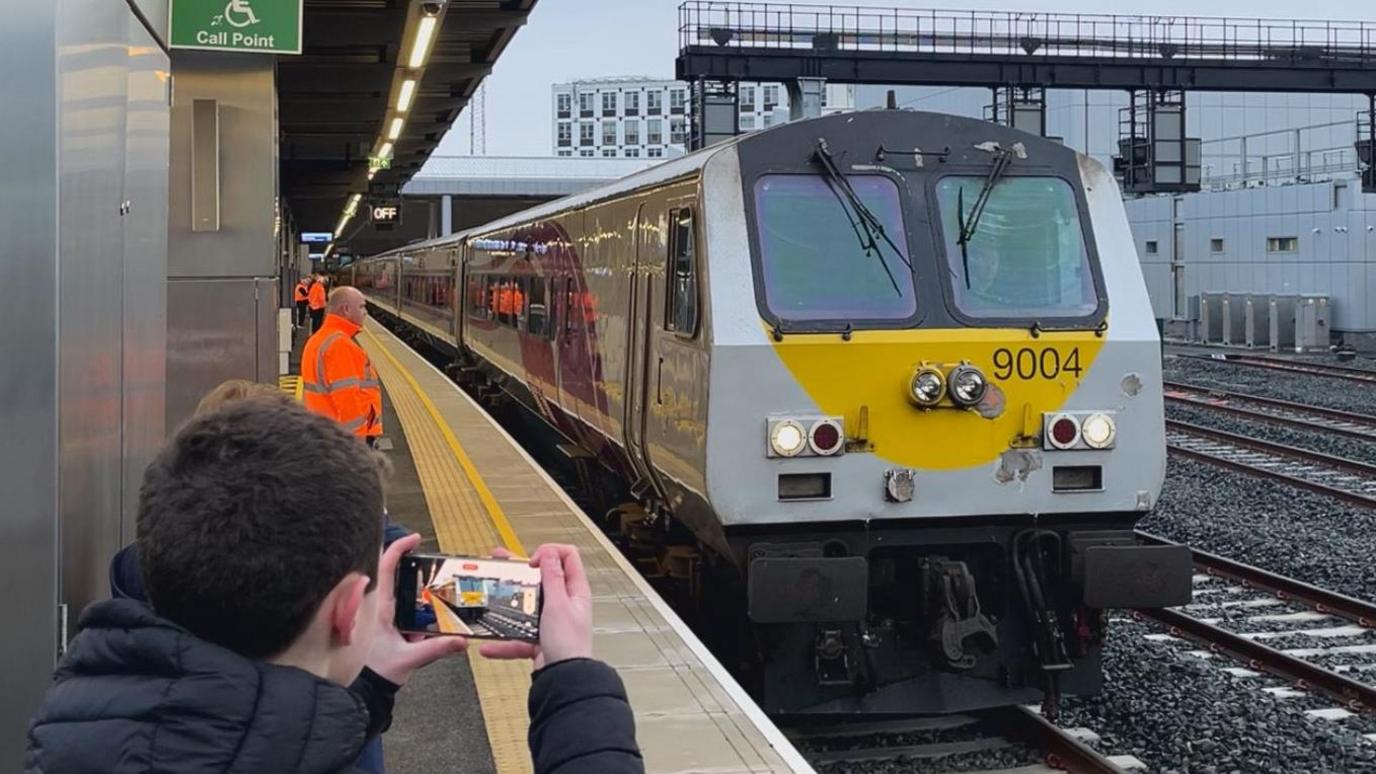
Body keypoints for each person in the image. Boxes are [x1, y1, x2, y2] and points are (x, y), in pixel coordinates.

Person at [26, 399, 643, 773]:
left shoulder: (73, 735)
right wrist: (573, 680)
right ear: (350, 612)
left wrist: (368, 686)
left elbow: (250, 742)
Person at [302, 286, 383, 446]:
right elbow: (347, 400)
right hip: (345, 440)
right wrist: (357, 445)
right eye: (361, 306)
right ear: (346, 309)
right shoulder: (340, 345)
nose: (365, 312)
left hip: (324, 432)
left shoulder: (318, 339)